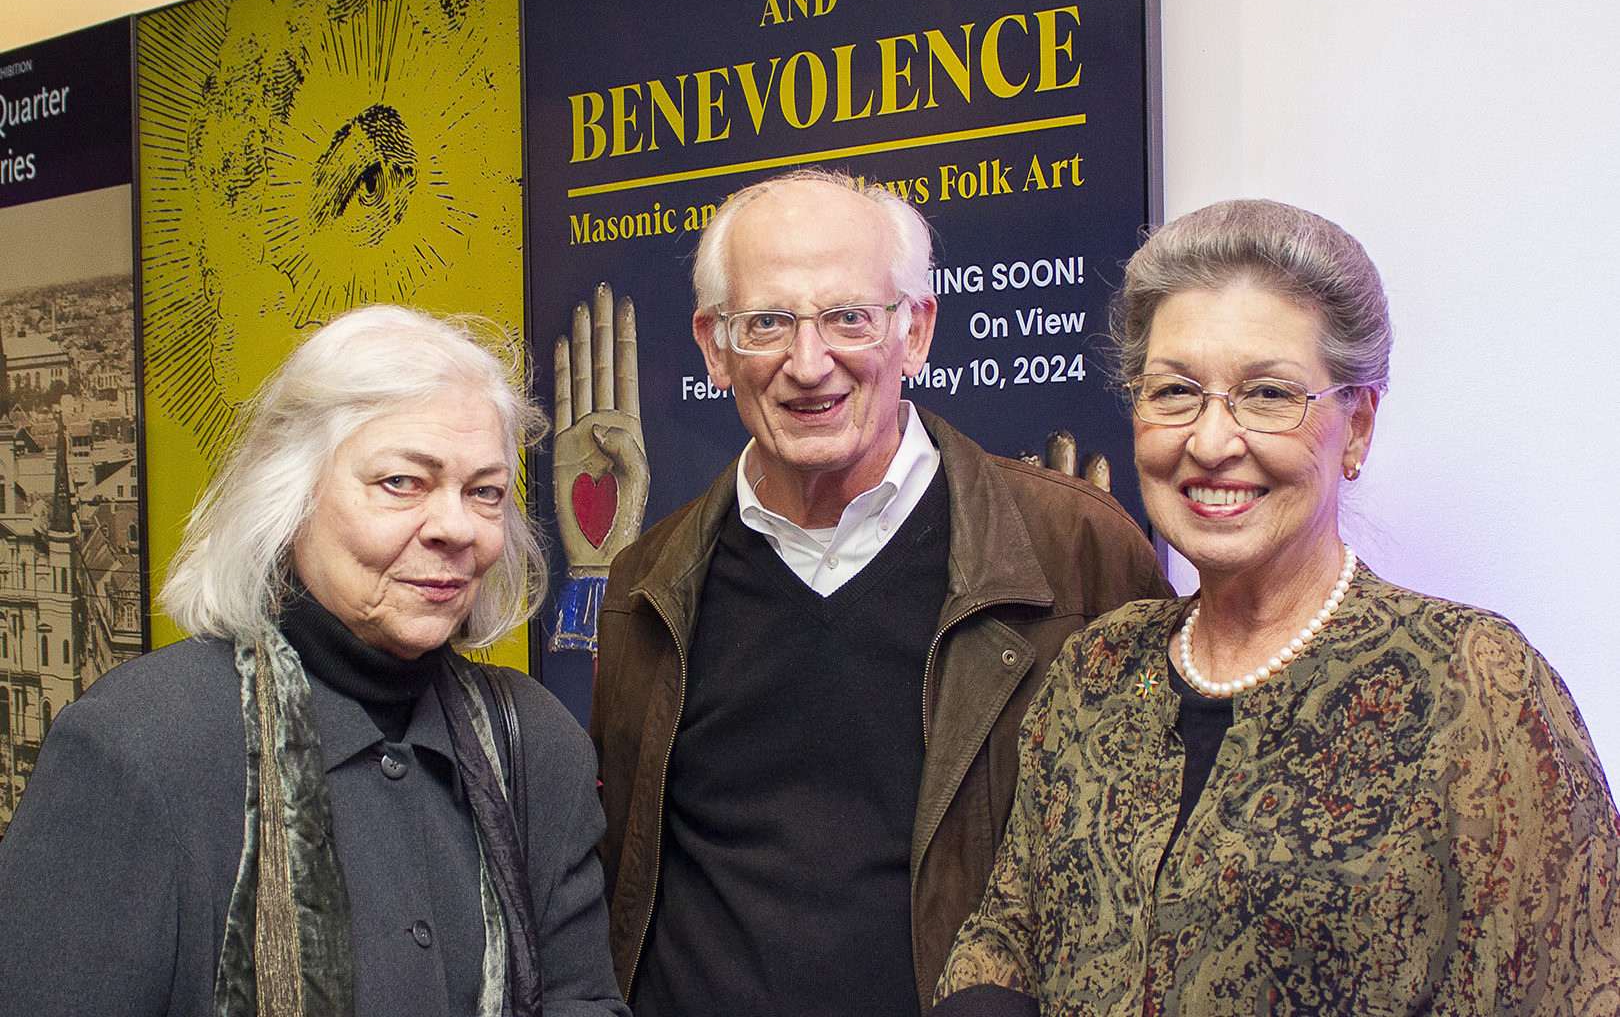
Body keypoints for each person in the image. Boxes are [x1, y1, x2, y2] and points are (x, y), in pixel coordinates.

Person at [934, 200, 1620, 1015]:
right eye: (1176, 391)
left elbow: (1576, 985)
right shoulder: (1098, 668)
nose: (1213, 441)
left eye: (1266, 395)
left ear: (1356, 427)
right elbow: (1010, 927)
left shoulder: (1473, 684)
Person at [591, 169, 1172, 1016]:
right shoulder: (645, 584)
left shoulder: (1078, 551)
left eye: (848, 317)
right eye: (767, 323)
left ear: (917, 330)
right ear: (715, 348)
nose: (808, 362)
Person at [0, 306, 629, 1017]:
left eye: (484, 491)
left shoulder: (535, 744)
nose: (456, 528)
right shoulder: (136, 750)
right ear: (289, 497)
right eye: (401, 482)